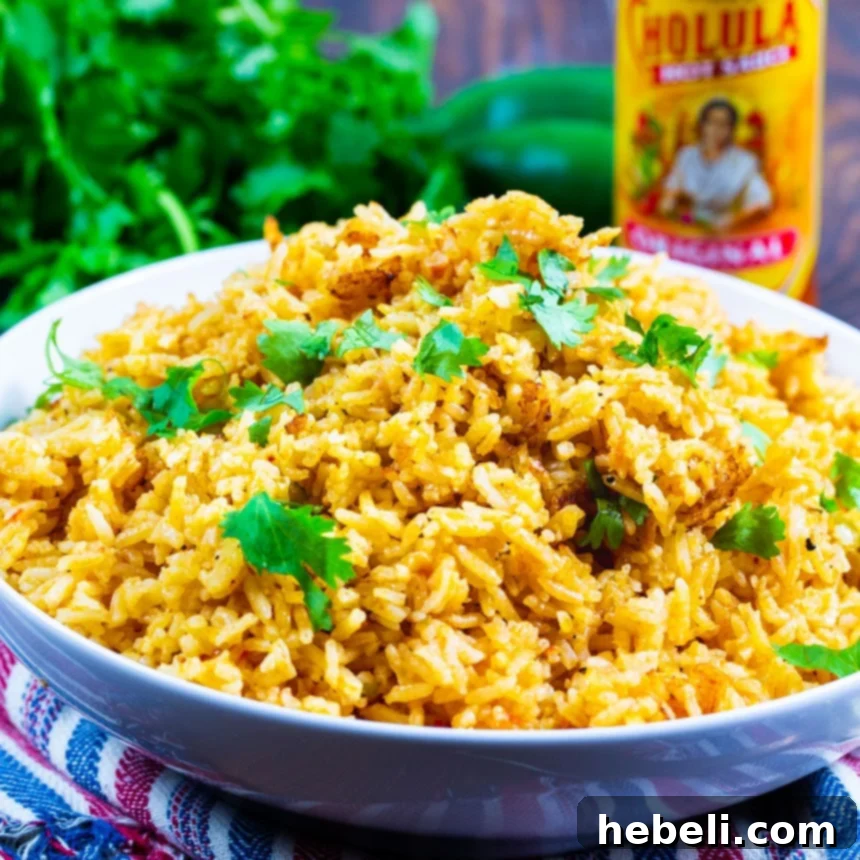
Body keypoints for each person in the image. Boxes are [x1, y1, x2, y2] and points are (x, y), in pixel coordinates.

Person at [658, 98, 772, 231]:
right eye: (712, 122)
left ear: (732, 129)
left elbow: (762, 202)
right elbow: (672, 187)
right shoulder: (687, 155)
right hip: (688, 226)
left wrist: (732, 221)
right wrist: (669, 204)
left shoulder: (745, 161)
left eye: (724, 124)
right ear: (702, 126)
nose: (717, 130)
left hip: (727, 231)